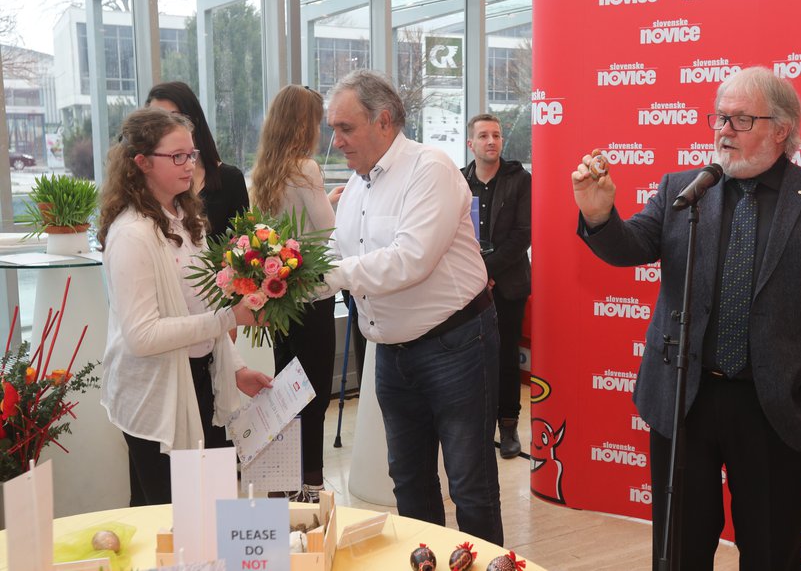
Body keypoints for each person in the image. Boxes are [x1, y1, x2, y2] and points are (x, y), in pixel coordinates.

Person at [572, 67, 801, 570]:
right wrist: (598, 216)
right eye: (720, 117)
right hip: (684, 397)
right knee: (678, 551)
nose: (723, 130)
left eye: (740, 120)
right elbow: (632, 246)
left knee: (770, 553)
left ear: (782, 129)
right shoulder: (686, 188)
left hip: (777, 409)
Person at [321, 69, 504, 545]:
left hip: (457, 345)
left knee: (470, 487)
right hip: (391, 354)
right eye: (332, 129)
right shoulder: (356, 188)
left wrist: (327, 277)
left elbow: (410, 261)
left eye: (345, 128)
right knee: (409, 485)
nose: (335, 140)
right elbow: (341, 257)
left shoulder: (430, 168)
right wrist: (282, 282)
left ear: (383, 120)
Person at [98, 107, 273, 506]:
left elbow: (200, 305)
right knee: (171, 518)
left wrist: (238, 367)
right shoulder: (132, 234)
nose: (189, 164)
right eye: (176, 156)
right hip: (156, 392)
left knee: (207, 508)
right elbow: (143, 337)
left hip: (198, 379)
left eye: (191, 154)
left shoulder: (182, 217)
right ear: (141, 163)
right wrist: (230, 317)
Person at [250, 84, 337, 504]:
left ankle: (285, 481)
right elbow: (324, 231)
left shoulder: (265, 170)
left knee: (288, 390)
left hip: (281, 301)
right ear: (306, 123)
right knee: (314, 394)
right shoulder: (306, 168)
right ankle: (312, 486)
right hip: (313, 296)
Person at [461, 113, 531, 459]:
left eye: (497, 135)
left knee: (505, 358)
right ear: (470, 144)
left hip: (507, 285)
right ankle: (478, 428)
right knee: (470, 359)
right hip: (466, 288)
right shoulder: (458, 181)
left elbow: (522, 235)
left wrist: (486, 270)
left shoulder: (520, 180)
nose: (491, 141)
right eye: (484, 136)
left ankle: (509, 426)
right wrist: (475, 274)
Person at [146, 81, 249, 240]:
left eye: (175, 119)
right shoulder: (146, 183)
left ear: (193, 121)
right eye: (156, 122)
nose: (165, 130)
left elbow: (243, 248)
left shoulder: (230, 179)